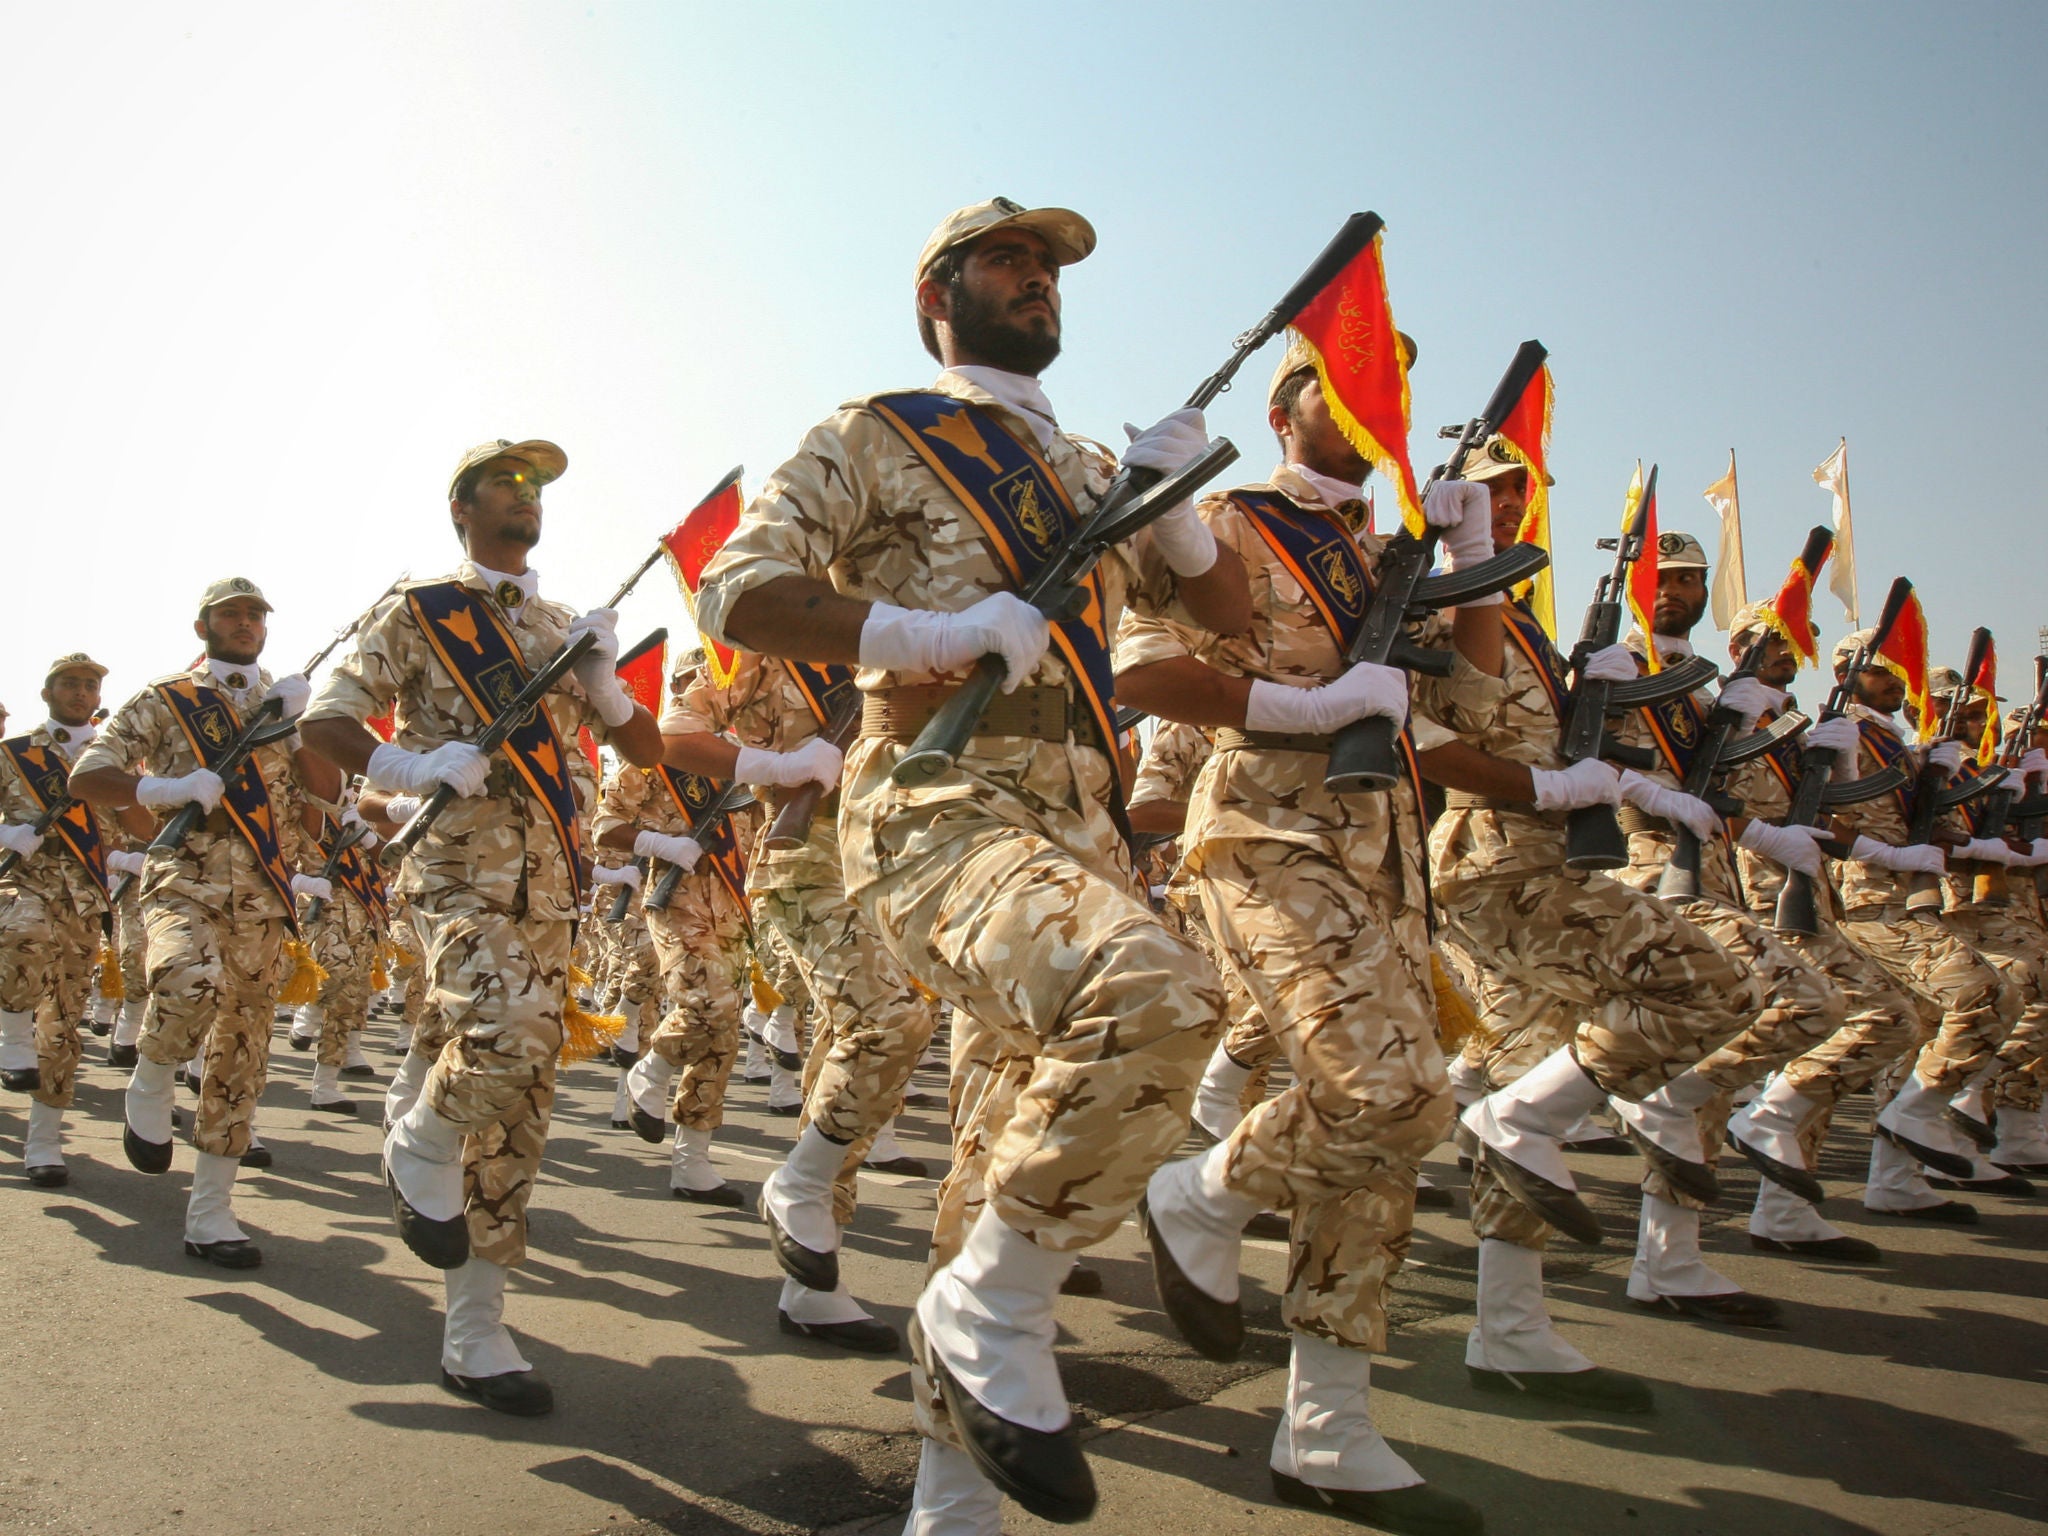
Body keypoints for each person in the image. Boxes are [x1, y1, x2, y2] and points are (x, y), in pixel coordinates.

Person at [691, 197, 1248, 1530]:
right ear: (938, 295)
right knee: (1161, 999)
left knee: (1004, 1155)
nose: (1039, 281)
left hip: (1082, 829)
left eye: (1050, 267)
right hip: (939, 802)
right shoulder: (879, 432)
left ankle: (953, 1496)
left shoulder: (1095, 469)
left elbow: (1225, 620)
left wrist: (1181, 526)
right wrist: (921, 633)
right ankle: (987, 1309)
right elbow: (735, 591)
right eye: (1008, 260)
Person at [1113, 336, 1496, 1535]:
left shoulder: (1390, 557)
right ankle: (1199, 1195)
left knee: (1398, 1112)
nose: (1374, 405)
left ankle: (1324, 1419)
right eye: (1345, 381)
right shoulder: (1224, 522)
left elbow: (1469, 703)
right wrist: (1302, 703)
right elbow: (1142, 671)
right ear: (1285, 412)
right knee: (1380, 1088)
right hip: (1264, 842)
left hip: (1384, 860)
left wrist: (1472, 557)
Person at [300, 438, 664, 1414]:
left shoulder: (559, 623)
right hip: (458, 874)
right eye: (505, 481)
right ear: (462, 506)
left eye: (536, 484)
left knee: (516, 1109)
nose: (525, 495)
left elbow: (646, 745)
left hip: (555, 894)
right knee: (508, 1042)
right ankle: (416, 1141)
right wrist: (408, 768)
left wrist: (606, 681)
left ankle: (476, 1329)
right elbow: (327, 725)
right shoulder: (419, 611)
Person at [1414, 439, 1761, 1411]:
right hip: (1494, 863)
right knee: (1705, 983)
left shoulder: (1518, 617)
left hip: (1537, 857)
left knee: (1525, 1074)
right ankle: (1513, 1184)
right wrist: (1551, 783)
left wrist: (1602, 716)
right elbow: (1428, 744)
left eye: (1525, 489)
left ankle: (1508, 1327)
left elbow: (1565, 747)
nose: (1516, 502)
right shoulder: (1441, 604)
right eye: (1496, 487)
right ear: (1453, 496)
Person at [1598, 532, 1848, 1325]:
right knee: (1807, 1004)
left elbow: (1742, 799)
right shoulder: (1620, 668)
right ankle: (1639, 1095)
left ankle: (1669, 1262)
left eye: (1686, 580)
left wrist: (1769, 745)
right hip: (1647, 872)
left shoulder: (1709, 692)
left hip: (1717, 877)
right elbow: (1603, 765)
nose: (1671, 590)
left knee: (1720, 1061)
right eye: (1658, 578)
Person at [70, 581, 340, 1265]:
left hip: (264, 900)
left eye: (254, 615)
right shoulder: (168, 699)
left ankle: (212, 1214)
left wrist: (302, 724)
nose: (245, 624)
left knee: (242, 1057)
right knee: (188, 981)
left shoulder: (284, 706)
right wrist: (160, 789)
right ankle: (153, 1076)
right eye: (231, 615)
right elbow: (88, 775)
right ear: (204, 626)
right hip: (182, 880)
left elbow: (327, 794)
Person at [1814, 632, 2021, 1222]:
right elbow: (1822, 820)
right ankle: (1915, 1113)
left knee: (1919, 1030)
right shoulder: (1845, 733)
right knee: (1987, 994)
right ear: (1848, 671)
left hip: (1912, 903)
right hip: (1870, 903)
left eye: (1904, 670)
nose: (1899, 680)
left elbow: (1937, 834)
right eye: (1884, 670)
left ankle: (1893, 1180)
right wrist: (1901, 856)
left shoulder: (1898, 748)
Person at [0, 653, 139, 1184]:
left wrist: (130, 851)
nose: (80, 693)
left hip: (85, 898)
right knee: (22, 934)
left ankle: (43, 1142)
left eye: (89, 686)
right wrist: (6, 834)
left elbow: (132, 827)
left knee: (63, 1024)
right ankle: (13, 1034)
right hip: (25, 880)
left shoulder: (112, 765)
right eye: (69, 684)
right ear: (48, 693)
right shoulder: (15, 754)